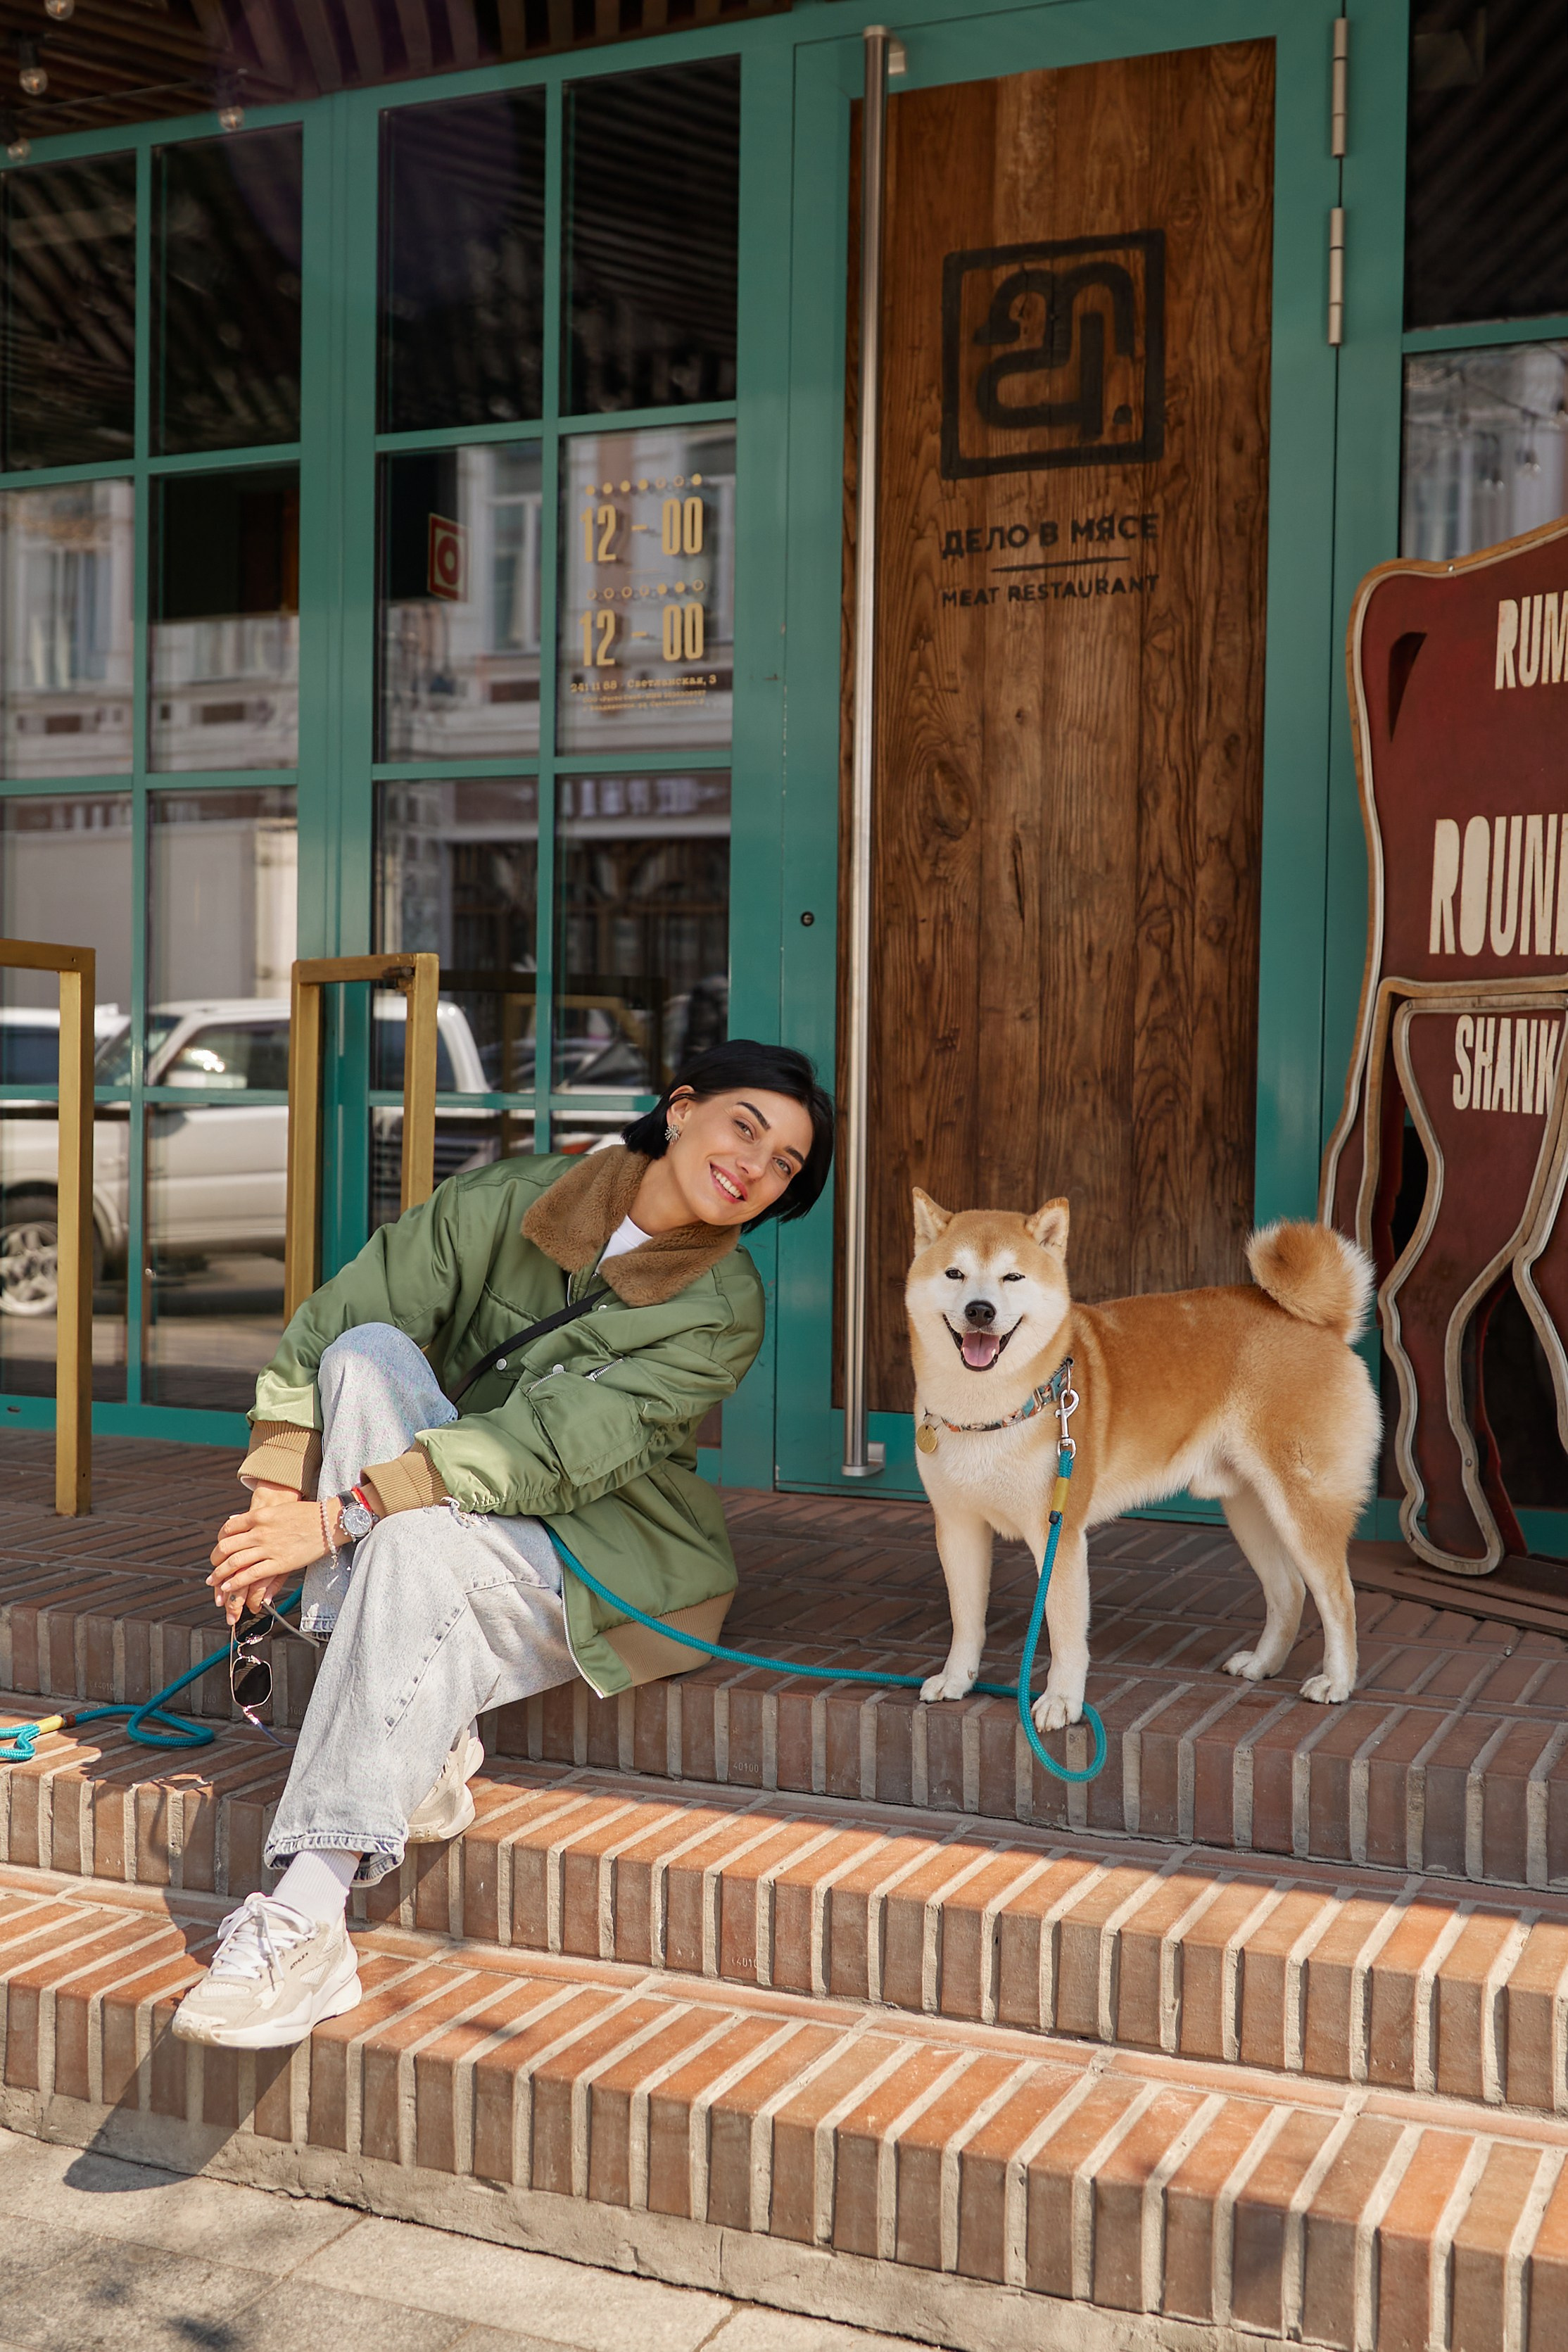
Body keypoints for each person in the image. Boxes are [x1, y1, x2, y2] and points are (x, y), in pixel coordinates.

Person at [172, 1038, 833, 2050]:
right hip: (445, 1501)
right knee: (366, 1354)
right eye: (747, 1125)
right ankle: (421, 1736)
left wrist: (339, 1516)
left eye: (785, 1162)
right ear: (683, 1105)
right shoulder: (521, 1195)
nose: (756, 1164)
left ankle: (307, 1917)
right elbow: (343, 1314)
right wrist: (272, 1501)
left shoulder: (723, 1309)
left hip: (604, 1554)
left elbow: (559, 1448)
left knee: (412, 1547)